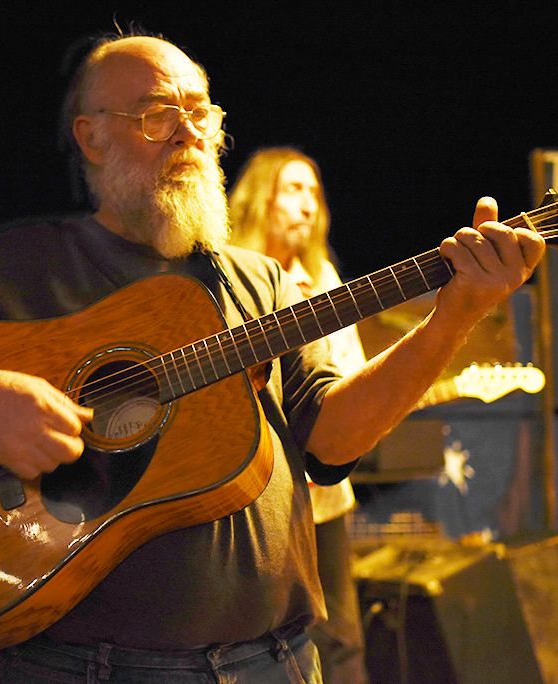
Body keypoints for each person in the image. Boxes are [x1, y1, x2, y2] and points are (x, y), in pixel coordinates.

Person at [0, 32, 545, 683]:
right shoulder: (20, 264)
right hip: (82, 671)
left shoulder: (261, 281)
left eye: (202, 111)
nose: (191, 132)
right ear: (91, 138)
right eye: (160, 114)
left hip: (276, 664)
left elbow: (332, 438)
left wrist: (458, 314)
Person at [229, 147, 368, 683]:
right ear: (262, 197)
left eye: (314, 192)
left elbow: (349, 373)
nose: (307, 204)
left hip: (324, 500)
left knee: (342, 639)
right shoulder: (228, 273)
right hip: (248, 493)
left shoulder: (325, 278)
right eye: (292, 189)